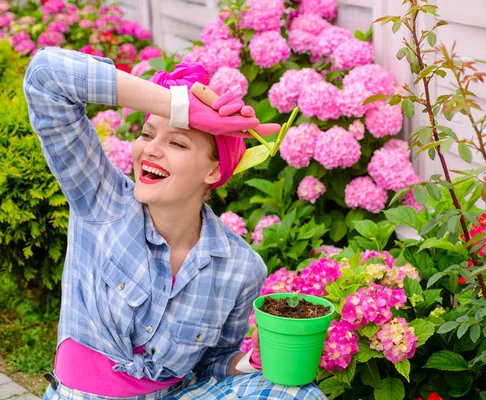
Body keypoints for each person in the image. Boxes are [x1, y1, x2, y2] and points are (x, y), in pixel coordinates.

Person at [23, 46, 327, 400]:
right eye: (147, 134)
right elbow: (46, 76)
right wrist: (177, 106)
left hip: (180, 394)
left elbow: (212, 363)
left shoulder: (240, 268)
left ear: (213, 171)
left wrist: (250, 361)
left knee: (298, 393)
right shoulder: (100, 200)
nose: (150, 150)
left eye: (177, 142)